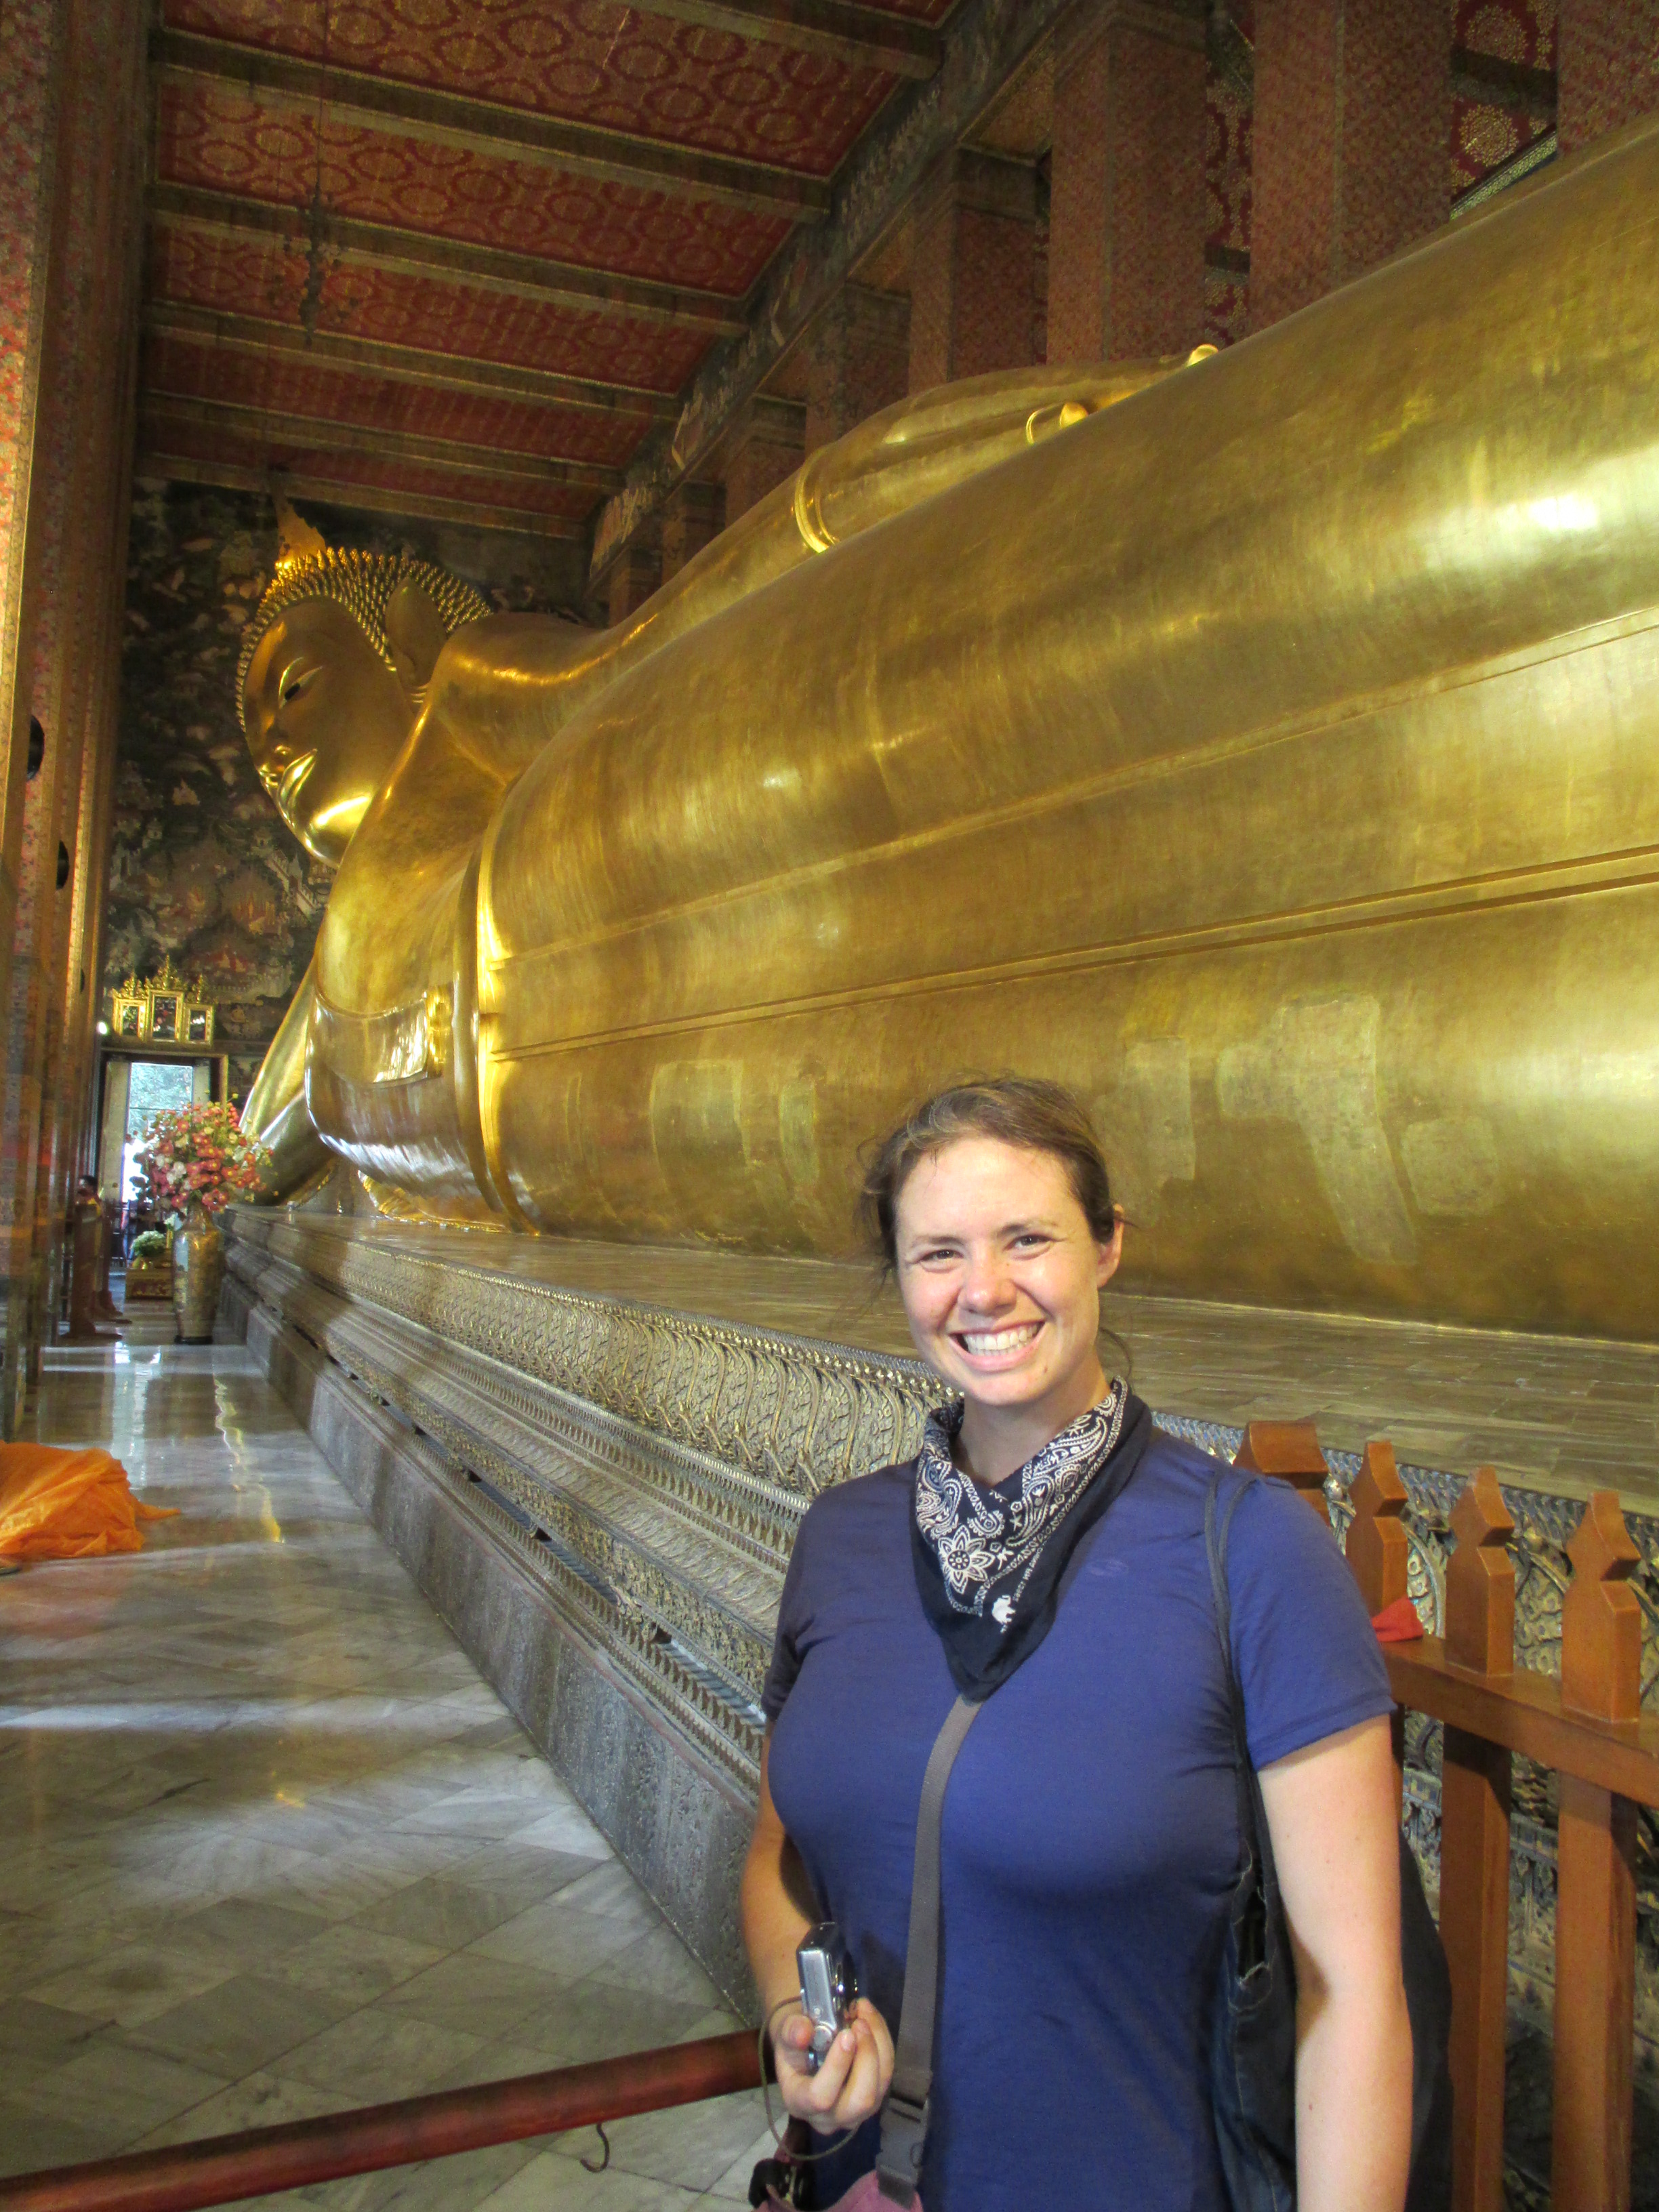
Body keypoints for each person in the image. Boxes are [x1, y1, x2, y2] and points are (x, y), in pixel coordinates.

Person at [741, 1078, 1412, 2211]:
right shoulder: (842, 1537)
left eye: (1028, 1240)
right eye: (939, 1253)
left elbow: (1347, 1990)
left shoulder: (1247, 1554)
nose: (984, 1290)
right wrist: (789, 2014)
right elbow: (779, 1857)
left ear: (1106, 1245)